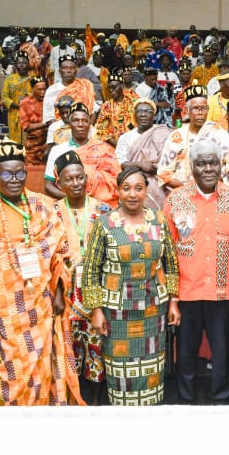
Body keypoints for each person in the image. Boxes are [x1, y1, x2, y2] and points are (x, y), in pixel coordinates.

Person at [0, 139, 81, 406]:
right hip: (3, 307)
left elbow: (58, 253)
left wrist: (57, 293)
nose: (14, 179)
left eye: (20, 172)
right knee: (13, 371)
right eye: (6, 173)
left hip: (42, 302)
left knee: (44, 366)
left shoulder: (42, 204)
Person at [83, 166, 180, 406]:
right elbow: (91, 270)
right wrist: (96, 310)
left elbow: (171, 263)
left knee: (151, 368)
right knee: (120, 372)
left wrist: (174, 301)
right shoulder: (105, 224)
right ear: (118, 191)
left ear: (147, 190)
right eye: (126, 188)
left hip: (153, 310)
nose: (132, 194)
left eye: (138, 188)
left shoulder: (159, 221)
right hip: (116, 312)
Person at [163, 139, 229, 404]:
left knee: (223, 355)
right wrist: (172, 297)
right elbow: (167, 252)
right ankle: (185, 403)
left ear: (221, 166)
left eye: (213, 162)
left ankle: (223, 403)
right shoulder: (176, 200)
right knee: (185, 356)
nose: (208, 168)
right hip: (187, 293)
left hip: (224, 293)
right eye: (202, 163)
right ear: (192, 167)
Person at [54, 151, 111, 405]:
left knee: (96, 349)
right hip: (63, 294)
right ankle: (72, 403)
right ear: (59, 184)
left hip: (96, 293)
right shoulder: (50, 212)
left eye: (80, 178)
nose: (76, 183)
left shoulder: (104, 210)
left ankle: (96, 404)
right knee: (68, 349)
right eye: (69, 179)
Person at [116, 98, 171, 209]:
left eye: (147, 111)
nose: (143, 115)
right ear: (134, 115)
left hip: (159, 181)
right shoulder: (125, 138)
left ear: (154, 115)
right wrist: (141, 165)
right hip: (132, 180)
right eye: (139, 111)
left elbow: (168, 161)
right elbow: (121, 163)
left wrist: (156, 169)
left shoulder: (162, 133)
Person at [0, 51, 34, 143]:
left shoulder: (34, 79)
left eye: (24, 63)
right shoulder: (9, 80)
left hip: (30, 115)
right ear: (15, 65)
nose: (22, 65)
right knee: (15, 142)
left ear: (28, 64)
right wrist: (18, 105)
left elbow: (39, 96)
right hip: (14, 114)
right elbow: (4, 97)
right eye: (19, 63)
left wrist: (28, 100)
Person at [95, 74, 137, 145]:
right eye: (109, 87)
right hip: (115, 143)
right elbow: (101, 127)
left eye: (114, 87)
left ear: (122, 86)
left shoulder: (133, 101)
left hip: (135, 141)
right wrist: (116, 144)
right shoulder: (107, 106)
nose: (111, 90)